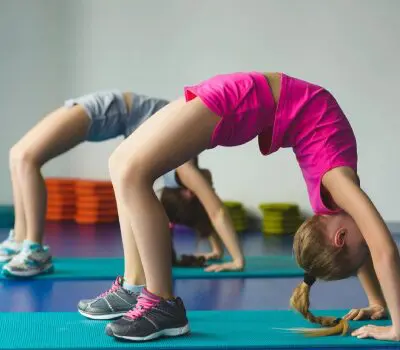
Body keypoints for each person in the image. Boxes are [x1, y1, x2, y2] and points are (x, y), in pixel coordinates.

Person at [101, 71, 400, 343]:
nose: (368, 250)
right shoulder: (337, 185)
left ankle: (139, 288)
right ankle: (159, 301)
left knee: (124, 167)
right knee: (129, 171)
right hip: (248, 98)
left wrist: (377, 303)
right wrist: (397, 327)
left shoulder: (332, 203)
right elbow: (383, 248)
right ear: (341, 238)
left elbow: (364, 247)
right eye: (364, 252)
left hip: (246, 93)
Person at [2, 91, 243, 279]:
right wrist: (218, 251)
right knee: (19, 156)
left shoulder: (184, 168)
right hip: (113, 109)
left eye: (208, 187)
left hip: (112, 109)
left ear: (189, 194)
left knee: (24, 157)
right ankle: (21, 239)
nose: (210, 185)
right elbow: (207, 213)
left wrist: (237, 259)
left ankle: (34, 249)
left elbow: (215, 211)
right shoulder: (180, 163)